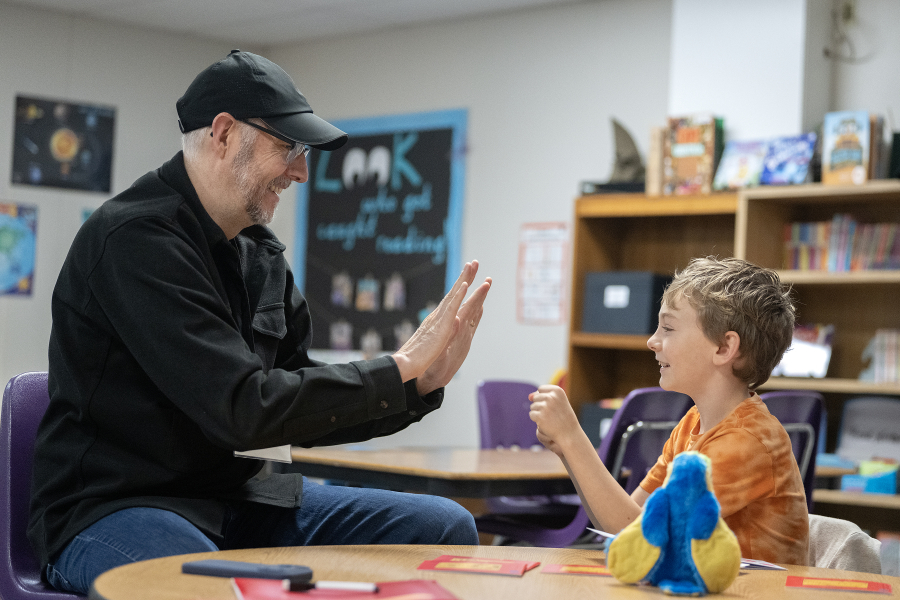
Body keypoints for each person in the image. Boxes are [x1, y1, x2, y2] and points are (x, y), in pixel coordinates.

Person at [28, 50, 492, 595]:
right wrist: (396, 367)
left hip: (237, 498)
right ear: (224, 134)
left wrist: (416, 384)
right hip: (115, 507)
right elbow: (243, 410)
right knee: (209, 586)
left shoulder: (260, 255)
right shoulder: (133, 241)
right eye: (288, 147)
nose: (300, 170)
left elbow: (292, 394)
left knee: (444, 526)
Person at [529, 256, 809, 565]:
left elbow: (641, 537)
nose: (652, 341)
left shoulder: (747, 442)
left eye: (668, 328)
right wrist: (565, 449)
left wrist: (573, 438)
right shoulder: (692, 424)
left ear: (724, 348)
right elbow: (620, 524)